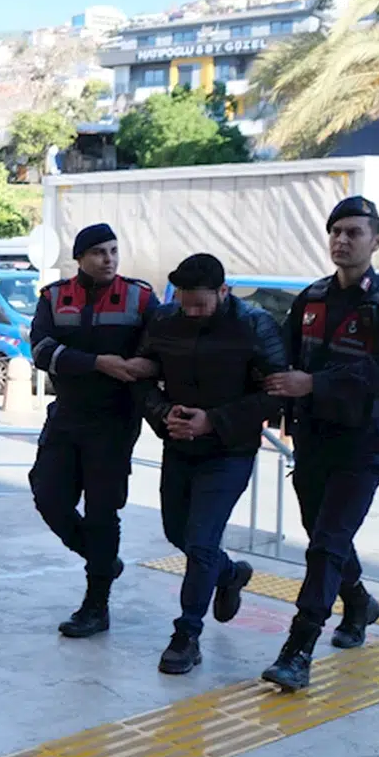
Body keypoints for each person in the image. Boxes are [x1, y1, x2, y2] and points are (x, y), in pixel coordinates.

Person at [261, 196, 379, 690]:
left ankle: (298, 650)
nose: (342, 240)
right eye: (336, 232)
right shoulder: (310, 299)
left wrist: (313, 384)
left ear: (376, 241)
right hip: (313, 438)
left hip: (362, 442)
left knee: (327, 544)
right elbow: (283, 360)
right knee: (323, 535)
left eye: (354, 232)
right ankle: (359, 603)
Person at [134, 254, 288, 674]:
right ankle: (230, 574)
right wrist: (163, 413)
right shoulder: (165, 321)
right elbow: (142, 377)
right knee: (177, 533)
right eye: (185, 304)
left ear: (224, 291)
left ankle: (186, 635)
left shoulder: (254, 325)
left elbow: (275, 393)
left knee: (201, 542)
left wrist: (213, 421)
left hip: (229, 450)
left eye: (201, 305)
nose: (192, 312)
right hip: (179, 445)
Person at [28, 223, 157, 638]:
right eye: (100, 252)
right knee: (48, 495)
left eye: (114, 250)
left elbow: (160, 348)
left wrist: (148, 365)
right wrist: (97, 362)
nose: (109, 259)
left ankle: (96, 605)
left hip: (114, 420)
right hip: (67, 414)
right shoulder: (54, 297)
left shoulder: (140, 297)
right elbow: (41, 350)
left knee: (103, 511)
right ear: (80, 257)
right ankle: (103, 560)